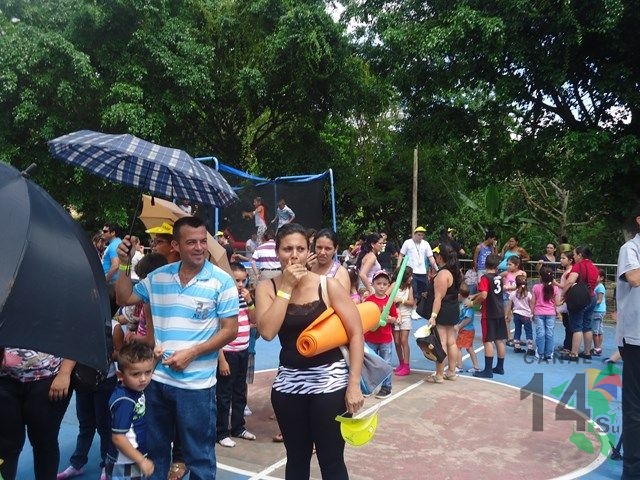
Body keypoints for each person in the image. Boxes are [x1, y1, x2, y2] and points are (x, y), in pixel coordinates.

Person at [115, 216, 239, 480]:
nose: (199, 247)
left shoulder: (222, 281)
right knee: (156, 451)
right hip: (157, 382)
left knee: (199, 457)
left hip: (197, 387)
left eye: (203, 241)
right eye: (191, 242)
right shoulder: (158, 277)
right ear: (176, 245)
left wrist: (193, 353)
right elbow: (124, 297)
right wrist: (125, 263)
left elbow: (230, 330)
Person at [254, 222, 364, 479]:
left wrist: (354, 384)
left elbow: (356, 333)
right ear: (277, 252)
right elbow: (267, 332)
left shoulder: (328, 285)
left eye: (300, 249)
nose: (294, 255)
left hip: (330, 383)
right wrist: (286, 287)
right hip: (288, 385)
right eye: (287, 249)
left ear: (308, 252)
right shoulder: (267, 288)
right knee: (296, 459)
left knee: (331, 460)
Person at [0, 349, 75, 480]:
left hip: (48, 379)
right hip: (5, 380)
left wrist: (65, 372)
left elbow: (76, 339)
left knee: (45, 443)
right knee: (6, 444)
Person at [216, 262, 256, 448]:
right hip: (228, 353)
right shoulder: (223, 299)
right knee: (224, 394)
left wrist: (250, 302)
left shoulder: (244, 299)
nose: (240, 284)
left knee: (240, 391)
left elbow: (255, 320)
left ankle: (238, 427)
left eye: (243, 281)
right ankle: (221, 432)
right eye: (236, 280)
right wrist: (222, 359)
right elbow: (216, 331)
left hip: (243, 350)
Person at [105, 342, 156, 480]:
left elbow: (147, 367)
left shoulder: (134, 389)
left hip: (133, 457)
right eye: (136, 374)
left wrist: (155, 358)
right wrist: (141, 460)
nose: (143, 379)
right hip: (124, 462)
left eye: (148, 372)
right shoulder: (125, 401)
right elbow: (118, 437)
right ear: (120, 375)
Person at [615, 204, 640, 479]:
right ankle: (632, 470)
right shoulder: (630, 249)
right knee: (635, 408)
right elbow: (634, 278)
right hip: (635, 339)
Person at [424, 244, 462, 383]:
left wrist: (433, 316)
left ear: (440, 257)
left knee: (441, 342)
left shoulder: (443, 274)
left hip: (443, 309)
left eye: (436, 256)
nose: (435, 258)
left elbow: (438, 298)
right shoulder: (455, 271)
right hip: (453, 308)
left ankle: (439, 374)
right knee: (451, 342)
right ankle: (451, 372)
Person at [465, 254, 506, 378]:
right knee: (499, 339)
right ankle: (500, 367)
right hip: (500, 311)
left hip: (489, 313)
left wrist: (473, 303)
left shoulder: (485, 278)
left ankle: (488, 371)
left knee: (488, 340)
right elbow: (490, 291)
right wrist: (475, 295)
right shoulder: (499, 278)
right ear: (497, 266)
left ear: (485, 264)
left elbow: (484, 295)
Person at [560, 245, 599, 361]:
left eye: (574, 254)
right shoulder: (593, 266)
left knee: (577, 326)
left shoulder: (578, 266)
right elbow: (597, 280)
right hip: (592, 296)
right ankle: (587, 352)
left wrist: (563, 294)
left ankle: (574, 353)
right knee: (587, 325)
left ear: (580, 255)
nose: (573, 256)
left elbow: (570, 281)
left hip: (579, 298)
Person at [363, 270, 398, 397]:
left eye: (384, 284)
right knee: (369, 363)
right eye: (378, 283)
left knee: (386, 363)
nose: (381, 286)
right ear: (373, 284)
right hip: (370, 338)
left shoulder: (390, 301)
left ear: (388, 286)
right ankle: (368, 386)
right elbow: (364, 317)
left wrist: (389, 319)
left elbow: (395, 317)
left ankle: (386, 387)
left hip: (385, 339)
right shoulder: (369, 300)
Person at [398, 227, 438, 301]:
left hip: (422, 272)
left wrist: (437, 269)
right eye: (419, 235)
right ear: (414, 234)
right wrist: (398, 268)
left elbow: (431, 257)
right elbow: (401, 255)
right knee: (413, 292)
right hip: (411, 272)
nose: (420, 237)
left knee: (424, 292)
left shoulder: (426, 244)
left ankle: (420, 306)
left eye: (422, 235)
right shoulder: (407, 242)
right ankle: (413, 305)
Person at [530, 267, 562, 361]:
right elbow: (557, 303)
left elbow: (532, 302)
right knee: (549, 333)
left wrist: (531, 313)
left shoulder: (536, 287)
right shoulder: (555, 288)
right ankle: (549, 354)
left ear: (541, 277)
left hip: (539, 313)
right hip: (551, 313)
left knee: (540, 333)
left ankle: (539, 353)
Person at [391, 265, 414, 376]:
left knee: (404, 340)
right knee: (397, 341)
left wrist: (401, 300)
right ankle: (401, 362)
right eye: (410, 276)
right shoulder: (394, 285)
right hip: (395, 316)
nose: (411, 278)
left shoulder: (409, 288)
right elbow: (387, 296)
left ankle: (406, 365)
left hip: (405, 316)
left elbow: (412, 302)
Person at [455, 282, 481, 373]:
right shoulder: (464, 302)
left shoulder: (466, 305)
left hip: (466, 330)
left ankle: (459, 366)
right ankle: (476, 366)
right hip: (468, 329)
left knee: (458, 347)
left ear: (459, 295)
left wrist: (459, 326)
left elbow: (468, 318)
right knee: (469, 348)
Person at [505, 275, 534, 355]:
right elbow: (531, 305)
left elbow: (509, 305)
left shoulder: (513, 293)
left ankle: (517, 346)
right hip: (526, 315)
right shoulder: (528, 294)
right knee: (528, 331)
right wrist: (532, 314)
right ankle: (530, 348)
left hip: (516, 314)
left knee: (517, 330)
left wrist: (507, 314)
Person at [501, 255, 527, 346]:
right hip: (507, 296)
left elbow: (521, 285)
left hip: (518, 297)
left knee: (518, 318)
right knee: (507, 317)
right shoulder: (506, 273)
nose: (508, 266)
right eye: (507, 264)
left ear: (516, 265)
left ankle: (517, 338)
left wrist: (507, 287)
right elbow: (497, 279)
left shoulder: (522, 273)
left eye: (510, 264)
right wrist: (502, 285)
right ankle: (509, 337)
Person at [555, 251, 575, 355]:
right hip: (565, 299)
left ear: (570, 260)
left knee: (569, 324)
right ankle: (567, 344)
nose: (561, 260)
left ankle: (568, 346)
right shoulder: (567, 271)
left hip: (566, 299)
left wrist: (555, 283)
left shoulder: (570, 272)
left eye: (563, 258)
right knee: (566, 323)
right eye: (561, 258)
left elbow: (567, 285)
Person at [102, 223, 123, 315]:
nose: (103, 233)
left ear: (113, 233)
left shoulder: (114, 245)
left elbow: (115, 265)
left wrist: (104, 281)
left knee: (107, 313)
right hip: (114, 284)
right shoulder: (117, 243)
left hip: (111, 285)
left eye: (105, 231)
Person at [591, 269, 607, 356]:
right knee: (599, 330)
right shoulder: (596, 286)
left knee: (595, 330)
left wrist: (590, 303)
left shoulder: (600, 287)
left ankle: (596, 348)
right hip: (599, 310)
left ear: (601, 278)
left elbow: (599, 300)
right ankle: (598, 347)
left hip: (598, 311)